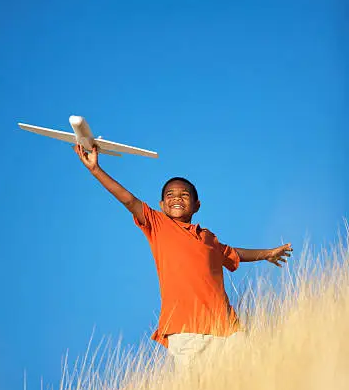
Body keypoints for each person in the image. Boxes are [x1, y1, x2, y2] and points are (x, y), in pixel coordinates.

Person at [74, 144, 292, 368]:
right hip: (185, 332)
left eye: (184, 195)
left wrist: (267, 253)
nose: (177, 198)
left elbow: (234, 254)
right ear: (161, 204)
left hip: (226, 330)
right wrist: (96, 170)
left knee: (247, 375)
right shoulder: (158, 224)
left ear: (197, 205)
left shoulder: (208, 238)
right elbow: (129, 200)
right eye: (170, 195)